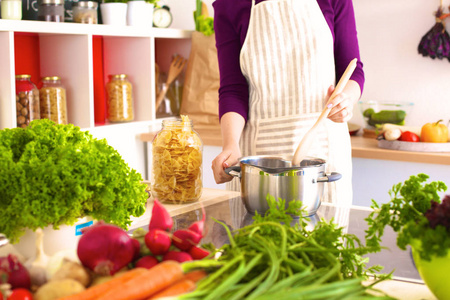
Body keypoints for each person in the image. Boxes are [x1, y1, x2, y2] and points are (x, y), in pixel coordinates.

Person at [211, 0, 364, 210]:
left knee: (323, 238)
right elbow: (233, 87)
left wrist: (346, 99)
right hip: (258, 160)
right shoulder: (230, 5)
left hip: (324, 149)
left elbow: (352, 69)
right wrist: (230, 145)